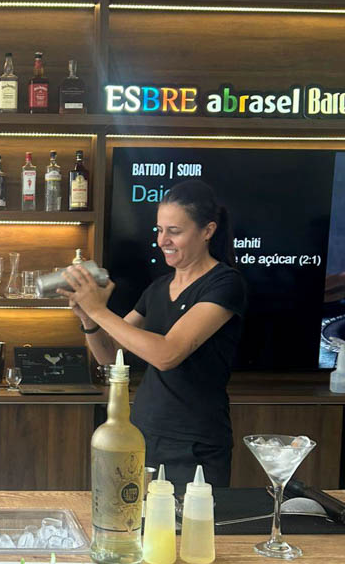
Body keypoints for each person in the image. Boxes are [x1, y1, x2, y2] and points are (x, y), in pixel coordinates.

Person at [61, 179, 246, 490]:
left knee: (190, 523)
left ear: (207, 231)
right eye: (159, 230)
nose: (163, 240)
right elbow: (111, 357)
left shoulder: (224, 284)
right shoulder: (158, 288)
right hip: (142, 433)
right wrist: (88, 319)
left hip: (194, 444)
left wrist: (99, 311)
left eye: (174, 231)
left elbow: (168, 354)